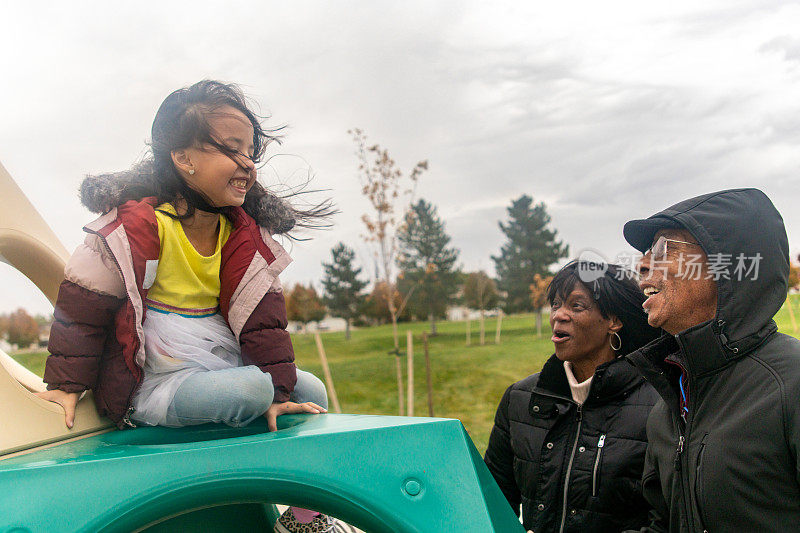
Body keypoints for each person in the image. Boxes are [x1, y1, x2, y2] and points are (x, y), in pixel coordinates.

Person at [36, 80, 345, 533]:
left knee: (310, 392)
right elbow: (84, 305)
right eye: (232, 149)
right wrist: (66, 383)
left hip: (218, 354)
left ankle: (303, 520)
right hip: (155, 372)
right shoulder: (136, 228)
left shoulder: (243, 238)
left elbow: (265, 326)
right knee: (251, 392)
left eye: (251, 151)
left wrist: (281, 391)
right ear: (183, 159)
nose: (247, 163)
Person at [623, 188, 800, 532]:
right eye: (647, 252)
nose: (643, 264)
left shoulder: (792, 385)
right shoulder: (670, 402)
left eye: (663, 249)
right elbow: (663, 523)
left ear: (729, 267)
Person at [484, 260, 661, 532]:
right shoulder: (518, 400)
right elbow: (490, 506)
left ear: (613, 321)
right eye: (556, 304)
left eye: (576, 306)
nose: (559, 315)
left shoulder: (658, 406)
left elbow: (668, 519)